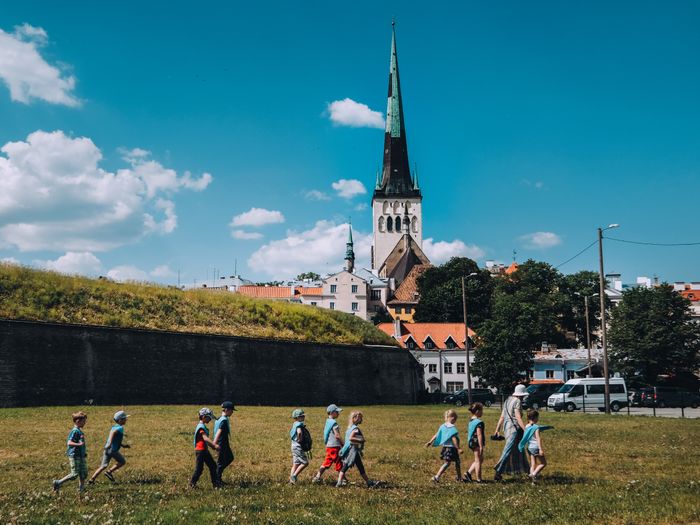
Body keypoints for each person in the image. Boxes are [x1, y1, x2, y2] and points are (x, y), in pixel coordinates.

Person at [493, 384, 530, 481]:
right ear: (521, 395)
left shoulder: (507, 401)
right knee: (508, 450)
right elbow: (518, 417)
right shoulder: (517, 401)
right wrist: (525, 429)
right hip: (514, 429)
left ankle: (524, 470)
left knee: (518, 450)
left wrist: (497, 430)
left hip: (506, 429)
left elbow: (502, 416)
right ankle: (498, 471)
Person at [337, 411, 377, 488]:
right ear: (355, 418)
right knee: (345, 467)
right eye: (360, 418)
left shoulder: (349, 428)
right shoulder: (355, 429)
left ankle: (368, 482)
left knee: (360, 466)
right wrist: (361, 440)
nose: (362, 419)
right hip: (352, 451)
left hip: (351, 450)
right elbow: (351, 438)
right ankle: (338, 483)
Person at [88, 410, 130, 484]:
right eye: (124, 418)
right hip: (112, 450)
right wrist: (110, 443)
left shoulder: (114, 427)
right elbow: (112, 434)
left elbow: (116, 440)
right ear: (120, 420)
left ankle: (92, 479)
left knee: (103, 466)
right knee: (122, 461)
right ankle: (109, 472)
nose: (126, 420)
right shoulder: (120, 428)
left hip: (107, 449)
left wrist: (123, 445)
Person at [53, 411, 89, 493]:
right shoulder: (75, 431)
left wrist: (83, 452)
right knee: (74, 474)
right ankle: (58, 483)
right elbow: (69, 443)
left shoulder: (79, 431)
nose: (85, 423)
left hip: (81, 455)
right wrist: (79, 444)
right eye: (84, 421)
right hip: (74, 455)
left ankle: (81, 489)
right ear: (78, 421)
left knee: (83, 473)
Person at [425, 409, 462, 483]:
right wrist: (458, 448)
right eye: (455, 419)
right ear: (453, 418)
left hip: (445, 448)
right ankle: (437, 477)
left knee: (454, 462)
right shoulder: (452, 428)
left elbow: (436, 435)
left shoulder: (442, 426)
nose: (455, 421)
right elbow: (454, 438)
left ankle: (459, 478)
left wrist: (430, 442)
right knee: (450, 463)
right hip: (452, 448)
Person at [518, 409, 553, 483]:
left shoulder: (527, 426)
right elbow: (538, 438)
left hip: (529, 447)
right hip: (536, 447)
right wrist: (540, 449)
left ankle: (533, 481)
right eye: (537, 417)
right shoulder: (536, 427)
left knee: (533, 464)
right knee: (543, 463)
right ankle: (533, 474)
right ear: (535, 418)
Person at [312, 404, 344, 483]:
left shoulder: (327, 421)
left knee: (327, 462)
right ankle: (342, 481)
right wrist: (343, 443)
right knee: (339, 463)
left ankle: (317, 477)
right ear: (332, 412)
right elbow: (337, 435)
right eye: (337, 412)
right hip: (335, 446)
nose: (338, 413)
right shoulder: (334, 423)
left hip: (329, 446)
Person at [189, 408, 220, 489]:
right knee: (199, 469)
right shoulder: (201, 427)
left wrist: (211, 446)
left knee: (213, 466)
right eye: (209, 418)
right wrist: (214, 445)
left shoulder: (202, 426)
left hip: (204, 450)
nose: (210, 419)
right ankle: (192, 484)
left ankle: (215, 484)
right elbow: (205, 438)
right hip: (200, 451)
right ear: (203, 417)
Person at [213, 401, 236, 485]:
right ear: (226, 410)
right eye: (231, 410)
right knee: (220, 463)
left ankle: (217, 476)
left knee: (230, 458)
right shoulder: (223, 421)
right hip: (221, 444)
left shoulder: (219, 418)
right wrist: (214, 444)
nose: (232, 412)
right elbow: (219, 432)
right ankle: (217, 480)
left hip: (224, 443)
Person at [464, 402, 485, 483]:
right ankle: (479, 479)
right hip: (476, 443)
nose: (482, 412)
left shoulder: (471, 421)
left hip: (471, 442)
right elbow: (479, 435)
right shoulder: (479, 422)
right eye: (481, 411)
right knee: (478, 461)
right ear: (477, 411)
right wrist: (481, 446)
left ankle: (468, 473)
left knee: (480, 459)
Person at [289, 409, 310, 484]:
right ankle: (294, 476)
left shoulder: (294, 424)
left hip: (293, 446)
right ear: (297, 417)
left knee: (296, 463)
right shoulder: (299, 424)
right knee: (305, 463)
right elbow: (299, 432)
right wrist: (300, 440)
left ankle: (291, 481)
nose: (304, 417)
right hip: (298, 446)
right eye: (302, 416)